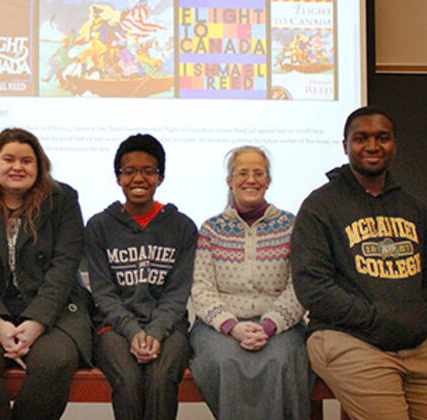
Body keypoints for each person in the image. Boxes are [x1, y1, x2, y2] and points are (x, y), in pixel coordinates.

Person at [291, 106, 427, 420]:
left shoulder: (414, 208)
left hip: (416, 344)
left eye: (383, 138)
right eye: (361, 138)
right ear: (345, 145)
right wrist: (378, 318)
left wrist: (415, 319)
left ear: (395, 144)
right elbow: (313, 289)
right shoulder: (320, 206)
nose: (372, 146)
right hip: (349, 339)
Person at [0, 128, 92, 420]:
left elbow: (65, 265)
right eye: (9, 159)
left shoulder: (62, 199)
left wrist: (37, 321)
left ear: (39, 166)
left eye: (27, 160)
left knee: (55, 361)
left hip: (53, 310)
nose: (17, 167)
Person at [189, 146, 314, 419]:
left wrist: (269, 325)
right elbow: (201, 288)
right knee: (225, 361)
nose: (251, 179)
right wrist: (232, 327)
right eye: (242, 173)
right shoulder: (211, 229)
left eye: (258, 173)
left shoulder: (292, 226)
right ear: (229, 181)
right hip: (220, 326)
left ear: (268, 181)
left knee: (282, 360)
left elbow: (300, 285)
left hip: (282, 325)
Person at [85, 133, 197, 420]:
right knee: (129, 381)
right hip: (113, 329)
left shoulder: (182, 227)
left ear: (160, 178)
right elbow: (103, 293)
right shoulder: (99, 226)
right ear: (118, 178)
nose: (139, 178)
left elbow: (177, 293)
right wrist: (134, 332)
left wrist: (155, 332)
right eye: (129, 171)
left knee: (161, 381)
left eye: (149, 171)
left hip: (169, 328)